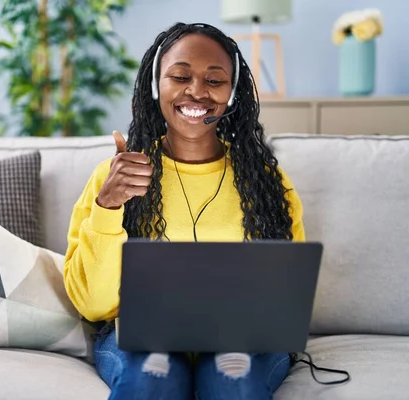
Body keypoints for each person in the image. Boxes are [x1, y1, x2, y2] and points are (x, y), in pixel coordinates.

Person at [63, 22, 305, 400]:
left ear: (233, 94)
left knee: (232, 378)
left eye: (215, 80)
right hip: (144, 342)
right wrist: (109, 206)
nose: (196, 91)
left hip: (241, 342)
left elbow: (286, 305)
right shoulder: (115, 177)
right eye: (179, 76)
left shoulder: (267, 184)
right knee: (150, 378)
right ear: (154, 86)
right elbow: (93, 306)